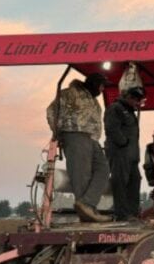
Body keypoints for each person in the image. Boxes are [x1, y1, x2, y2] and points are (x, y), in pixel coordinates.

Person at [46, 73, 111, 223]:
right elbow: (51, 111)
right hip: (75, 135)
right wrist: (59, 133)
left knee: (103, 169)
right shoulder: (70, 93)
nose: (102, 89)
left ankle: (87, 204)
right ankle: (87, 215)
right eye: (101, 85)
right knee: (82, 175)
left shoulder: (93, 100)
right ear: (94, 83)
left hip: (92, 139)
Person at [104, 86, 145, 221]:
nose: (137, 102)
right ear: (128, 97)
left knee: (135, 180)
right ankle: (122, 214)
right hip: (119, 153)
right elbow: (112, 129)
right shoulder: (115, 108)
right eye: (135, 99)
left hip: (132, 155)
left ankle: (132, 213)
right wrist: (123, 143)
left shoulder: (130, 112)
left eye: (139, 100)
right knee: (120, 182)